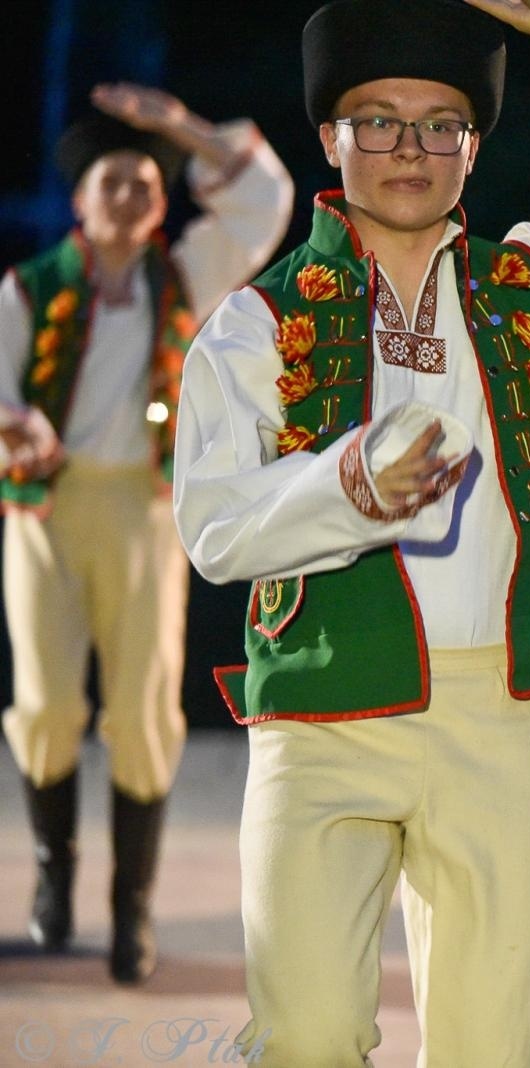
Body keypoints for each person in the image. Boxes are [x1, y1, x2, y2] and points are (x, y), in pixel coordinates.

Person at [171, 0, 530, 1061]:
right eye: (379, 121)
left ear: (473, 147)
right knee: (306, 1036)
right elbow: (216, 527)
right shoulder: (256, 323)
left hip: (501, 713)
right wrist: (349, 485)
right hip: (320, 710)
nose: (411, 147)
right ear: (329, 140)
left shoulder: (524, 287)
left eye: (441, 122)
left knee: (499, 1044)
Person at [0, 83, 292, 983]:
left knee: (144, 708)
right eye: (112, 182)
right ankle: (55, 879)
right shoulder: (30, 287)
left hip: (146, 508)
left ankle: (132, 910)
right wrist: (17, 423)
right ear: (80, 199)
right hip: (46, 510)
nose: (130, 197)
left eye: (145, 184)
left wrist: (181, 129)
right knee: (48, 705)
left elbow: (264, 199)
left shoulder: (188, 276)